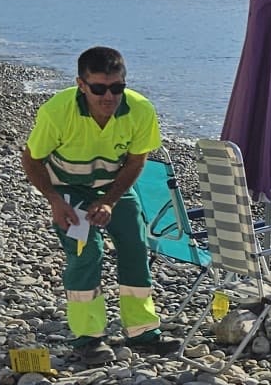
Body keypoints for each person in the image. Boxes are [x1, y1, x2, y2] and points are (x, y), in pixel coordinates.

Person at [22, 46, 181, 360]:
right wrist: (54, 200)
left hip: (113, 187)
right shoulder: (57, 112)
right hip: (68, 188)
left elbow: (137, 161)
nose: (109, 97)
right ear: (82, 85)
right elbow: (31, 159)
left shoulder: (140, 110)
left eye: (117, 87)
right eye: (98, 89)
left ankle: (143, 332)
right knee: (87, 252)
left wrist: (110, 201)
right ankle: (89, 339)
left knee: (136, 246)